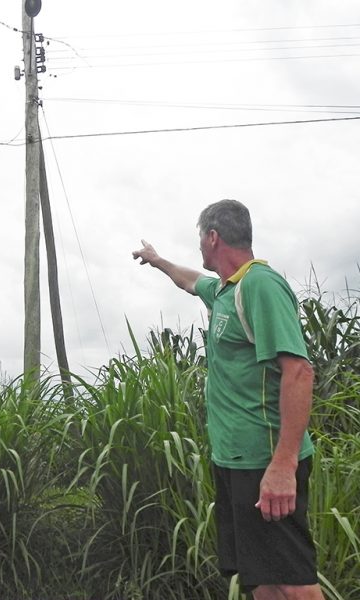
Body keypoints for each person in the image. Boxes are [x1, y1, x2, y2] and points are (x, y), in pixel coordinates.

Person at [132, 199, 324, 600]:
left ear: (213, 237)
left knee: (292, 580)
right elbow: (188, 280)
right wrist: (157, 260)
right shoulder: (224, 289)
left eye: (200, 238)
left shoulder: (260, 286)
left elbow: (299, 371)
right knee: (260, 577)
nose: (199, 247)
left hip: (265, 461)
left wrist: (283, 465)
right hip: (236, 462)